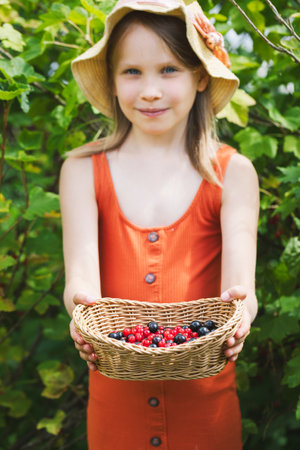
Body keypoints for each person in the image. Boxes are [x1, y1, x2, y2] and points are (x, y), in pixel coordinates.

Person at [59, 1, 259, 448]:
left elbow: (241, 293)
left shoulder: (232, 174)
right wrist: (80, 310)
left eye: (168, 69)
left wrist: (239, 316)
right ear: (112, 80)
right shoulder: (81, 171)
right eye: (132, 72)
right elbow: (80, 280)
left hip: (205, 412)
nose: (149, 90)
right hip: (117, 411)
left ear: (200, 75)